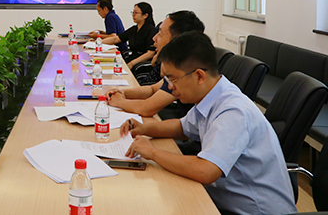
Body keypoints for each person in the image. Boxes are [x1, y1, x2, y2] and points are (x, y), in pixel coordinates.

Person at [121, 32, 296, 215]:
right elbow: (183, 127)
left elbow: (206, 170)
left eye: (173, 80)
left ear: (199, 76)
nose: (170, 87)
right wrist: (145, 128)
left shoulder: (233, 111)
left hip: (254, 211)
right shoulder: (211, 96)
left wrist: (153, 153)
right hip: (226, 200)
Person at [106, 10, 205, 117]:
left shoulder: (186, 70)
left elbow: (146, 108)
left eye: (160, 34)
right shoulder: (181, 63)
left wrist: (120, 101)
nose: (154, 38)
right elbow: (152, 89)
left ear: (177, 41)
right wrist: (121, 92)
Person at [102, 2, 156, 68]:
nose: (133, 15)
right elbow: (116, 39)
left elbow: (150, 53)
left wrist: (132, 63)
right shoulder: (134, 29)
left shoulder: (151, 30)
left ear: (145, 15)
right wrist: (98, 43)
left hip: (141, 64)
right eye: (133, 12)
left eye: (136, 13)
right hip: (132, 58)